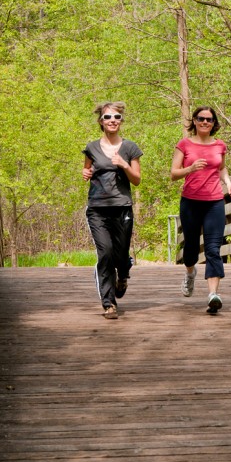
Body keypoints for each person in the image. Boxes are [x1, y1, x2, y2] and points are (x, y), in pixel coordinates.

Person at [170, 105, 231, 314]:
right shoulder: (184, 145)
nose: (205, 122)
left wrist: (228, 182)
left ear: (214, 123)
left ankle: (213, 295)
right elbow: (173, 174)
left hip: (214, 202)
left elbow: (221, 167)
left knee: (213, 248)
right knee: (190, 247)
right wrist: (190, 169)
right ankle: (190, 273)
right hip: (190, 202)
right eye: (201, 119)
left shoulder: (220, 146)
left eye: (209, 119)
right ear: (195, 121)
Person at [82, 101, 143, 320]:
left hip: (122, 207)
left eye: (116, 117)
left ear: (121, 121)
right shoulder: (91, 147)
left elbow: (136, 180)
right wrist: (86, 173)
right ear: (101, 121)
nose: (112, 121)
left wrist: (124, 165)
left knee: (121, 255)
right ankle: (108, 304)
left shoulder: (130, 148)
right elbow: (87, 168)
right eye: (108, 117)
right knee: (105, 253)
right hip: (97, 208)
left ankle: (124, 274)